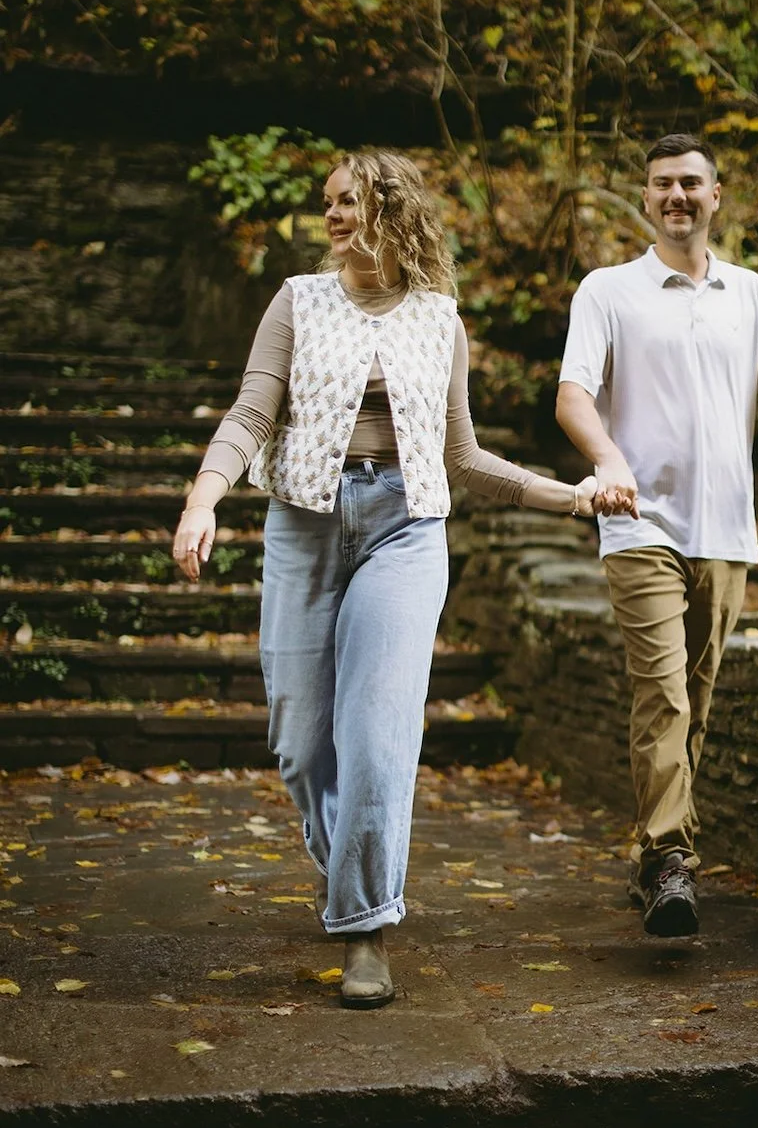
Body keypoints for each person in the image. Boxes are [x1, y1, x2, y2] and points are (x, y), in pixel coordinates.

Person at [173, 150, 619, 1009]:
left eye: (349, 200)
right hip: (303, 523)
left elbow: (463, 457)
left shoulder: (439, 320)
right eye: (328, 202)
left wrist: (568, 497)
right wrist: (204, 499)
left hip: (405, 530)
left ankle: (365, 926)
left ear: (391, 208)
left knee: (378, 731)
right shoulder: (298, 302)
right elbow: (252, 411)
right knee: (301, 743)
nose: (333, 215)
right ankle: (350, 868)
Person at [556, 133, 758, 939]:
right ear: (645, 198)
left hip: (725, 531)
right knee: (664, 693)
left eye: (691, 182)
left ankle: (657, 854)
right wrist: (609, 458)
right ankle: (670, 861)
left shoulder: (750, 294)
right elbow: (573, 395)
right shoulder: (608, 291)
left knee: (696, 702)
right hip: (637, 524)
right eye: (662, 184)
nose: (677, 195)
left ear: (716, 196)